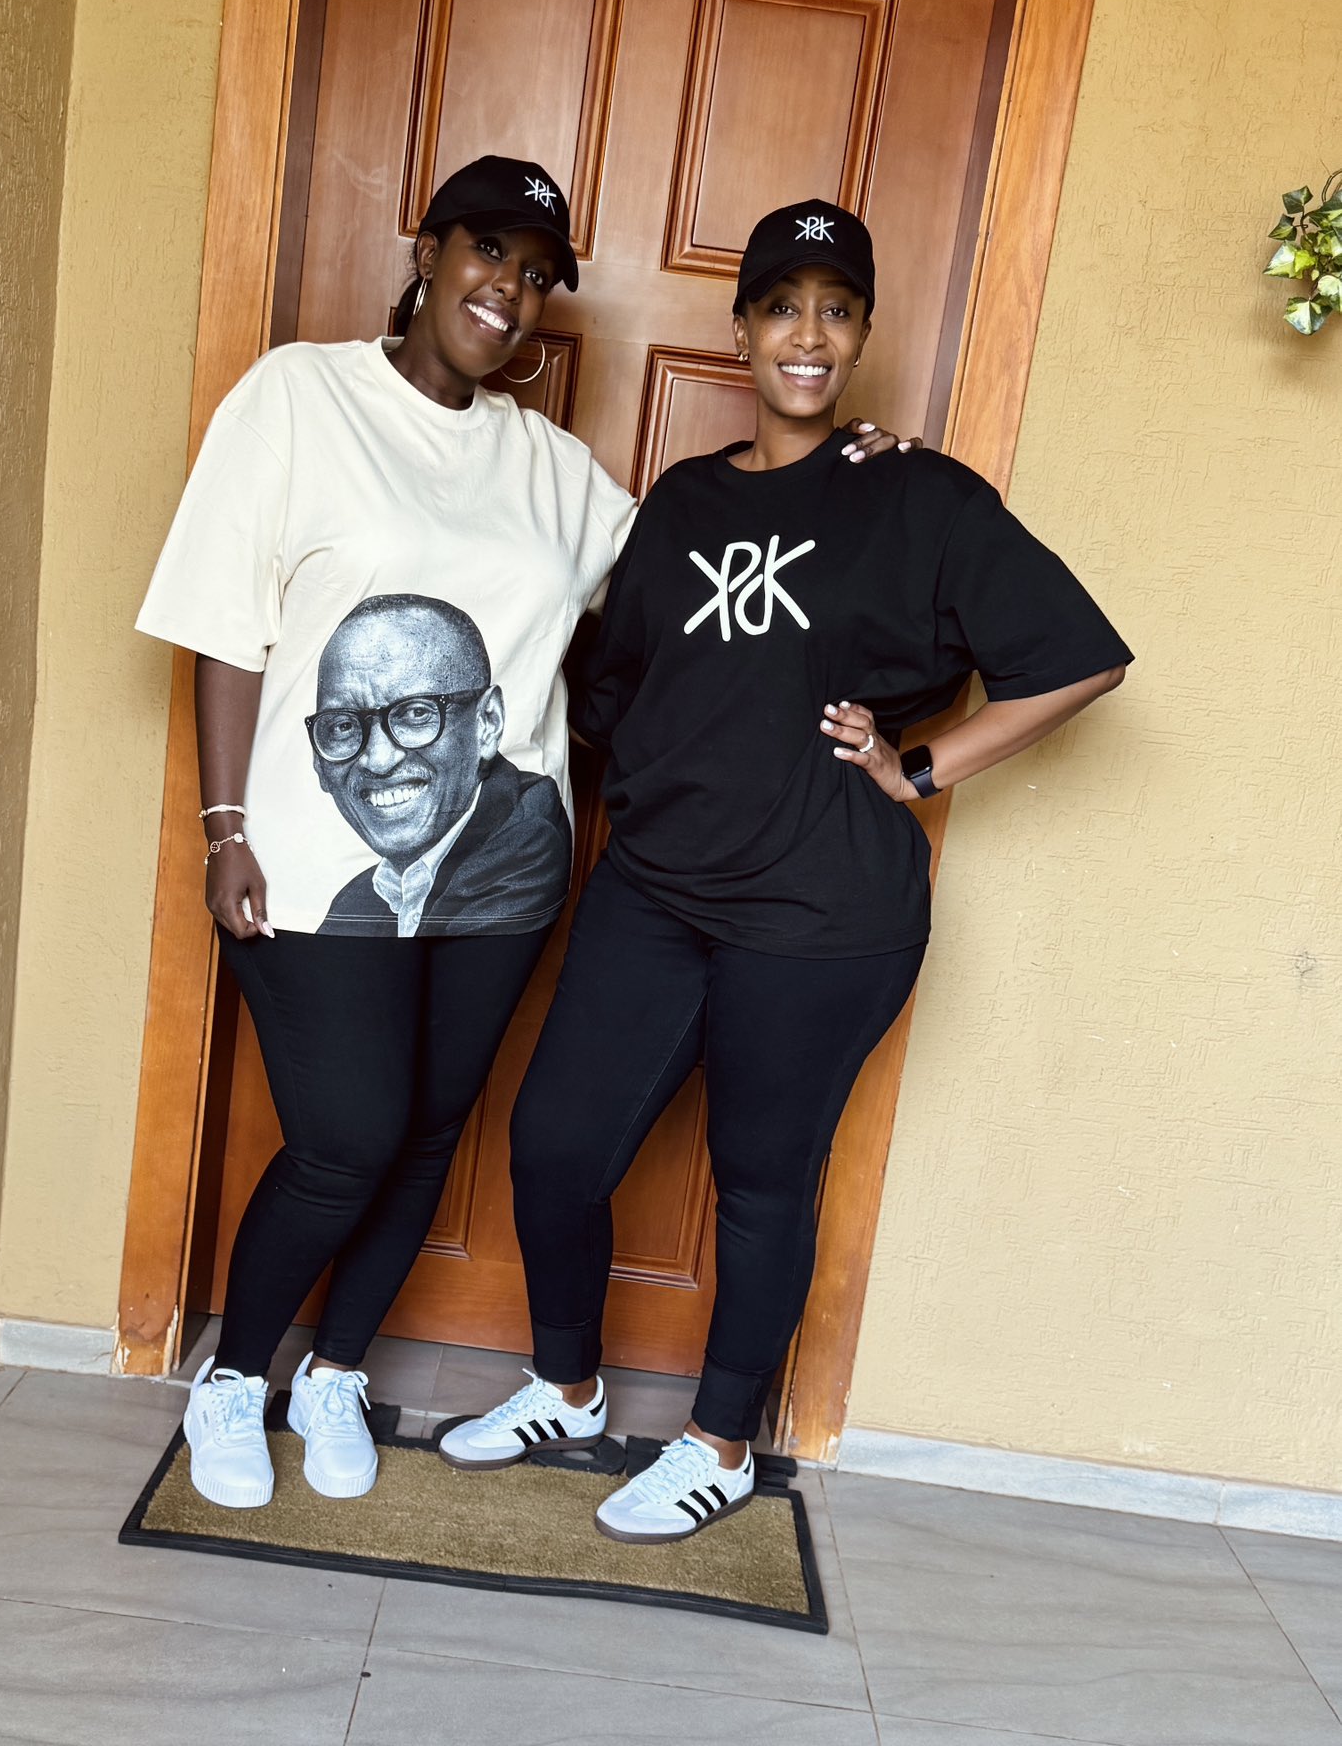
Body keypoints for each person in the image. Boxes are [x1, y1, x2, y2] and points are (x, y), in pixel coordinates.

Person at [137, 161, 909, 1512]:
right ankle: (235, 1374)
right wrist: (224, 825)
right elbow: (222, 622)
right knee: (347, 1135)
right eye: (487, 250)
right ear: (426, 251)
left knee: (433, 1129)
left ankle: (336, 1372)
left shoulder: (554, 470)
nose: (508, 288)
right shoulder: (298, 398)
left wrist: (851, 481)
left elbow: (705, 571)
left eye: (536, 273)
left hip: (502, 872)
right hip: (306, 858)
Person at [438, 199, 1132, 1544]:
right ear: (742, 330)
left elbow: (1079, 658)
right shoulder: (685, 502)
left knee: (761, 1179)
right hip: (655, 889)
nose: (807, 335)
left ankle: (717, 1443)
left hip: (822, 913)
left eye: (835, 310)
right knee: (555, 1143)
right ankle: (566, 1386)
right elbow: (607, 688)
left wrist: (919, 767)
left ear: (860, 335)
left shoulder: (920, 497)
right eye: (781, 308)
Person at [310, 595, 569, 936]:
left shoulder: (527, 848)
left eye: (416, 713)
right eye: (343, 726)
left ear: (487, 722)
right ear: (318, 761)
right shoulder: (361, 901)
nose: (379, 760)